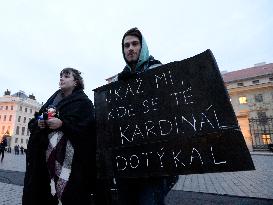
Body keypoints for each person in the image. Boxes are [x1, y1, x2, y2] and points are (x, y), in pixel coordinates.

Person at [115, 27, 178, 205]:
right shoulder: (120, 80)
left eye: (135, 44)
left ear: (142, 47)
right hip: (127, 163)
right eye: (126, 45)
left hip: (155, 163)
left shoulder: (158, 71)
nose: (130, 48)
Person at [22, 68, 96, 205]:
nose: (61, 78)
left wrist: (63, 124)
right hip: (42, 160)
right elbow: (36, 119)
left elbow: (87, 131)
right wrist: (40, 122)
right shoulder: (53, 100)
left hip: (70, 165)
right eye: (61, 76)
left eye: (66, 76)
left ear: (76, 82)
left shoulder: (84, 103)